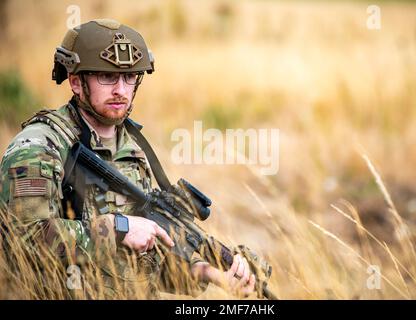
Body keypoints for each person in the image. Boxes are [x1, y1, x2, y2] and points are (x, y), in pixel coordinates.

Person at [0, 19, 255, 299]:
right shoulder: (39, 145)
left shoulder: (132, 149)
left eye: (130, 77)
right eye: (107, 77)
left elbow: (140, 266)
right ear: (75, 81)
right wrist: (117, 228)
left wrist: (207, 271)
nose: (121, 89)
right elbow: (22, 239)